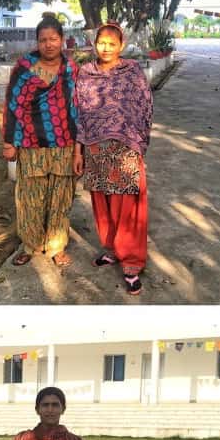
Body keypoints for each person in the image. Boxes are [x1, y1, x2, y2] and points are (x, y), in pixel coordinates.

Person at [73, 21, 153, 295]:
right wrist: (78, 150)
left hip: (125, 147)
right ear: (95, 44)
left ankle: (131, 261)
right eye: (101, 42)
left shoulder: (131, 71)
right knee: (103, 202)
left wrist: (139, 143)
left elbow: (145, 105)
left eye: (111, 43)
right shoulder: (86, 73)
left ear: (122, 45)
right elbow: (79, 113)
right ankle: (111, 249)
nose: (105, 48)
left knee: (127, 206)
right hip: (95, 147)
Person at [3, 16, 81, 268]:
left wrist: (81, 146)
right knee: (30, 197)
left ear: (62, 40)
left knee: (61, 196)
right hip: (31, 141)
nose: (48, 44)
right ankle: (31, 244)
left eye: (53, 39)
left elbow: (79, 106)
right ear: (37, 42)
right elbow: (13, 105)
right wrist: (9, 141)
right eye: (43, 40)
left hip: (65, 142)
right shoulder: (25, 67)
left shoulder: (71, 69)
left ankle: (56, 246)